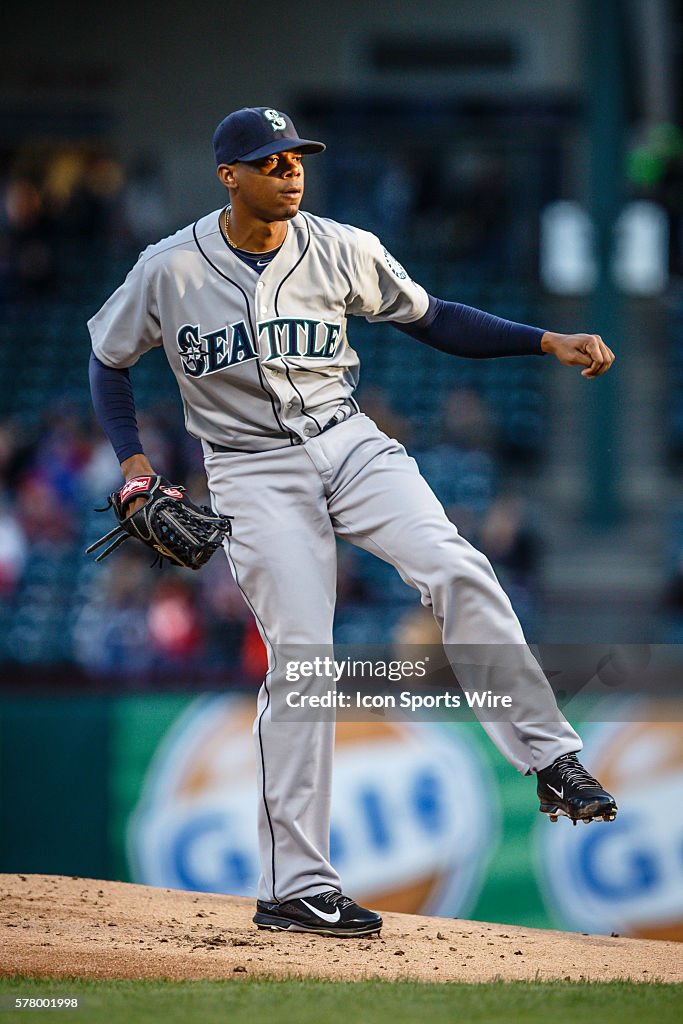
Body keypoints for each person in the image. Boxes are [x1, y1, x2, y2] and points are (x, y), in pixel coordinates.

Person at [88, 106, 617, 938]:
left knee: (456, 566)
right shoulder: (170, 269)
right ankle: (297, 886)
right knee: (302, 661)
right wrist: (134, 467)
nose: (290, 170)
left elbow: (433, 317)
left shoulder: (342, 245)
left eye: (295, 157)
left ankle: (551, 758)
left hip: (348, 439)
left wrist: (543, 339)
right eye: (269, 161)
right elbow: (108, 361)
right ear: (229, 176)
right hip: (250, 467)